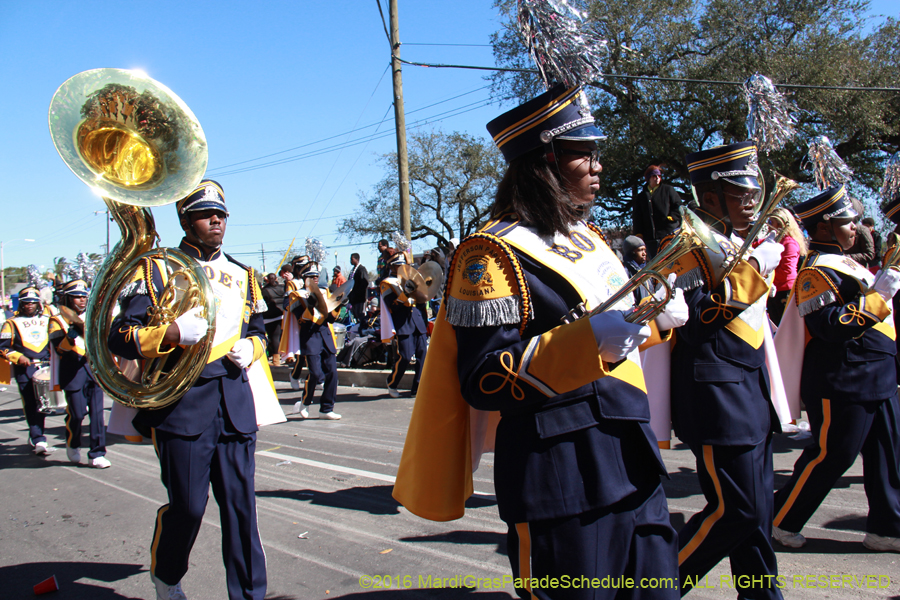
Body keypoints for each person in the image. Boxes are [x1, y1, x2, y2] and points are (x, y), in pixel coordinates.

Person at [394, 83, 689, 599]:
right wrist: (586, 341)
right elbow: (484, 378)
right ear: (544, 162)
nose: (598, 165)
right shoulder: (489, 253)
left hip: (631, 450)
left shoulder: (591, 237)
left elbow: (616, 339)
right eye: (582, 154)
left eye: (597, 152)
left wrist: (658, 319)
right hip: (561, 471)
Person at [108, 180, 268, 599]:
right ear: (185, 219)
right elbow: (119, 336)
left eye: (221, 214)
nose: (216, 220)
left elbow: (257, 328)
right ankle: (167, 575)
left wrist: (252, 347)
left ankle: (249, 594)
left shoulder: (243, 273)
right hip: (181, 406)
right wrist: (173, 331)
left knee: (241, 508)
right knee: (189, 508)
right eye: (205, 213)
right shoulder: (157, 268)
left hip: (233, 401)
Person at [663, 142, 785, 598]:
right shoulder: (688, 245)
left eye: (754, 192)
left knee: (756, 519)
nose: (752, 201)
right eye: (740, 193)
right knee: (737, 511)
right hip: (716, 399)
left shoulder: (734, 243)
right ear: (710, 197)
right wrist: (754, 269)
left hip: (749, 393)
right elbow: (696, 323)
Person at [771, 185, 900, 553]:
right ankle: (780, 519)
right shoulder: (815, 270)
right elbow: (828, 326)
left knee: (888, 456)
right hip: (844, 379)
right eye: (848, 221)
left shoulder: (845, 260)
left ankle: (887, 528)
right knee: (833, 456)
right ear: (825, 228)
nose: (856, 228)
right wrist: (880, 297)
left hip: (878, 374)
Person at [48, 279, 110, 469]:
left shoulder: (94, 317)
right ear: (67, 299)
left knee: (98, 415)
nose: (82, 301)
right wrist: (72, 334)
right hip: (72, 371)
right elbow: (59, 348)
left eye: (84, 297)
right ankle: (73, 442)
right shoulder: (56, 320)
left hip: (94, 370)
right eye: (77, 297)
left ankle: (97, 453)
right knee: (77, 413)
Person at [0, 286, 51, 455]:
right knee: (31, 403)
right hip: (25, 369)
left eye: (33, 302)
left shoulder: (48, 319)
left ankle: (36, 434)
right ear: (21, 304)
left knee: (43, 404)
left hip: (45, 366)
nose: (30, 305)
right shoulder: (11, 323)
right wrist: (18, 357)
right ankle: (38, 438)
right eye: (26, 303)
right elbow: (3, 348)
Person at [290, 261, 341, 420]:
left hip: (325, 335)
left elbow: (331, 319)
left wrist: (339, 304)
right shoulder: (297, 295)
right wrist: (309, 306)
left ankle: (326, 409)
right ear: (305, 278)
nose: (315, 278)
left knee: (332, 373)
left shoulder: (325, 292)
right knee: (315, 373)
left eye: (317, 276)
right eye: (312, 276)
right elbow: (300, 319)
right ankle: (305, 402)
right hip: (309, 336)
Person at [380, 252, 428, 398]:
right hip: (403, 323)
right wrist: (405, 293)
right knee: (405, 356)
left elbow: (421, 300)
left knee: (423, 356)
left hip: (417, 321)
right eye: (398, 265)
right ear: (392, 267)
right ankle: (392, 382)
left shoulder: (411, 278)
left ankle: (417, 388)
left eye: (403, 265)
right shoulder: (387, 283)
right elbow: (392, 305)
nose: (402, 267)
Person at [766, 207, 807, 325]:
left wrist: (765, 275)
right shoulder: (775, 240)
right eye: (770, 222)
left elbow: (786, 271)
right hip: (775, 288)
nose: (770, 226)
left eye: (774, 223)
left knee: (783, 325)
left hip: (784, 291)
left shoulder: (790, 243)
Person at [632, 164, 683, 258]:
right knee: (656, 264)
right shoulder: (641, 196)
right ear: (648, 178)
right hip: (650, 239)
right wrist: (639, 233)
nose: (657, 178)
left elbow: (679, 206)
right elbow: (637, 217)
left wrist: (671, 218)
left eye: (659, 176)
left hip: (668, 235)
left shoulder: (668, 190)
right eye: (654, 176)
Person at [261, 272, 285, 366]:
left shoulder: (265, 290)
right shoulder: (282, 288)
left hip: (269, 317)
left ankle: (276, 361)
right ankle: (284, 357)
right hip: (282, 315)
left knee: (274, 338)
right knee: (280, 337)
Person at [621, 235, 649, 305]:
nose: (644, 254)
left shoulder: (647, 271)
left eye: (644, 250)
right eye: (640, 250)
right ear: (632, 253)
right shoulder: (625, 272)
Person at [347, 253, 369, 325]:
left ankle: (362, 327)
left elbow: (364, 283)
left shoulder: (361, 269)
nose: (350, 261)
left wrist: (358, 293)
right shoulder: (353, 270)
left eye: (352, 259)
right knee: (355, 315)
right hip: (353, 298)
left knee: (360, 314)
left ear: (356, 259)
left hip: (360, 298)